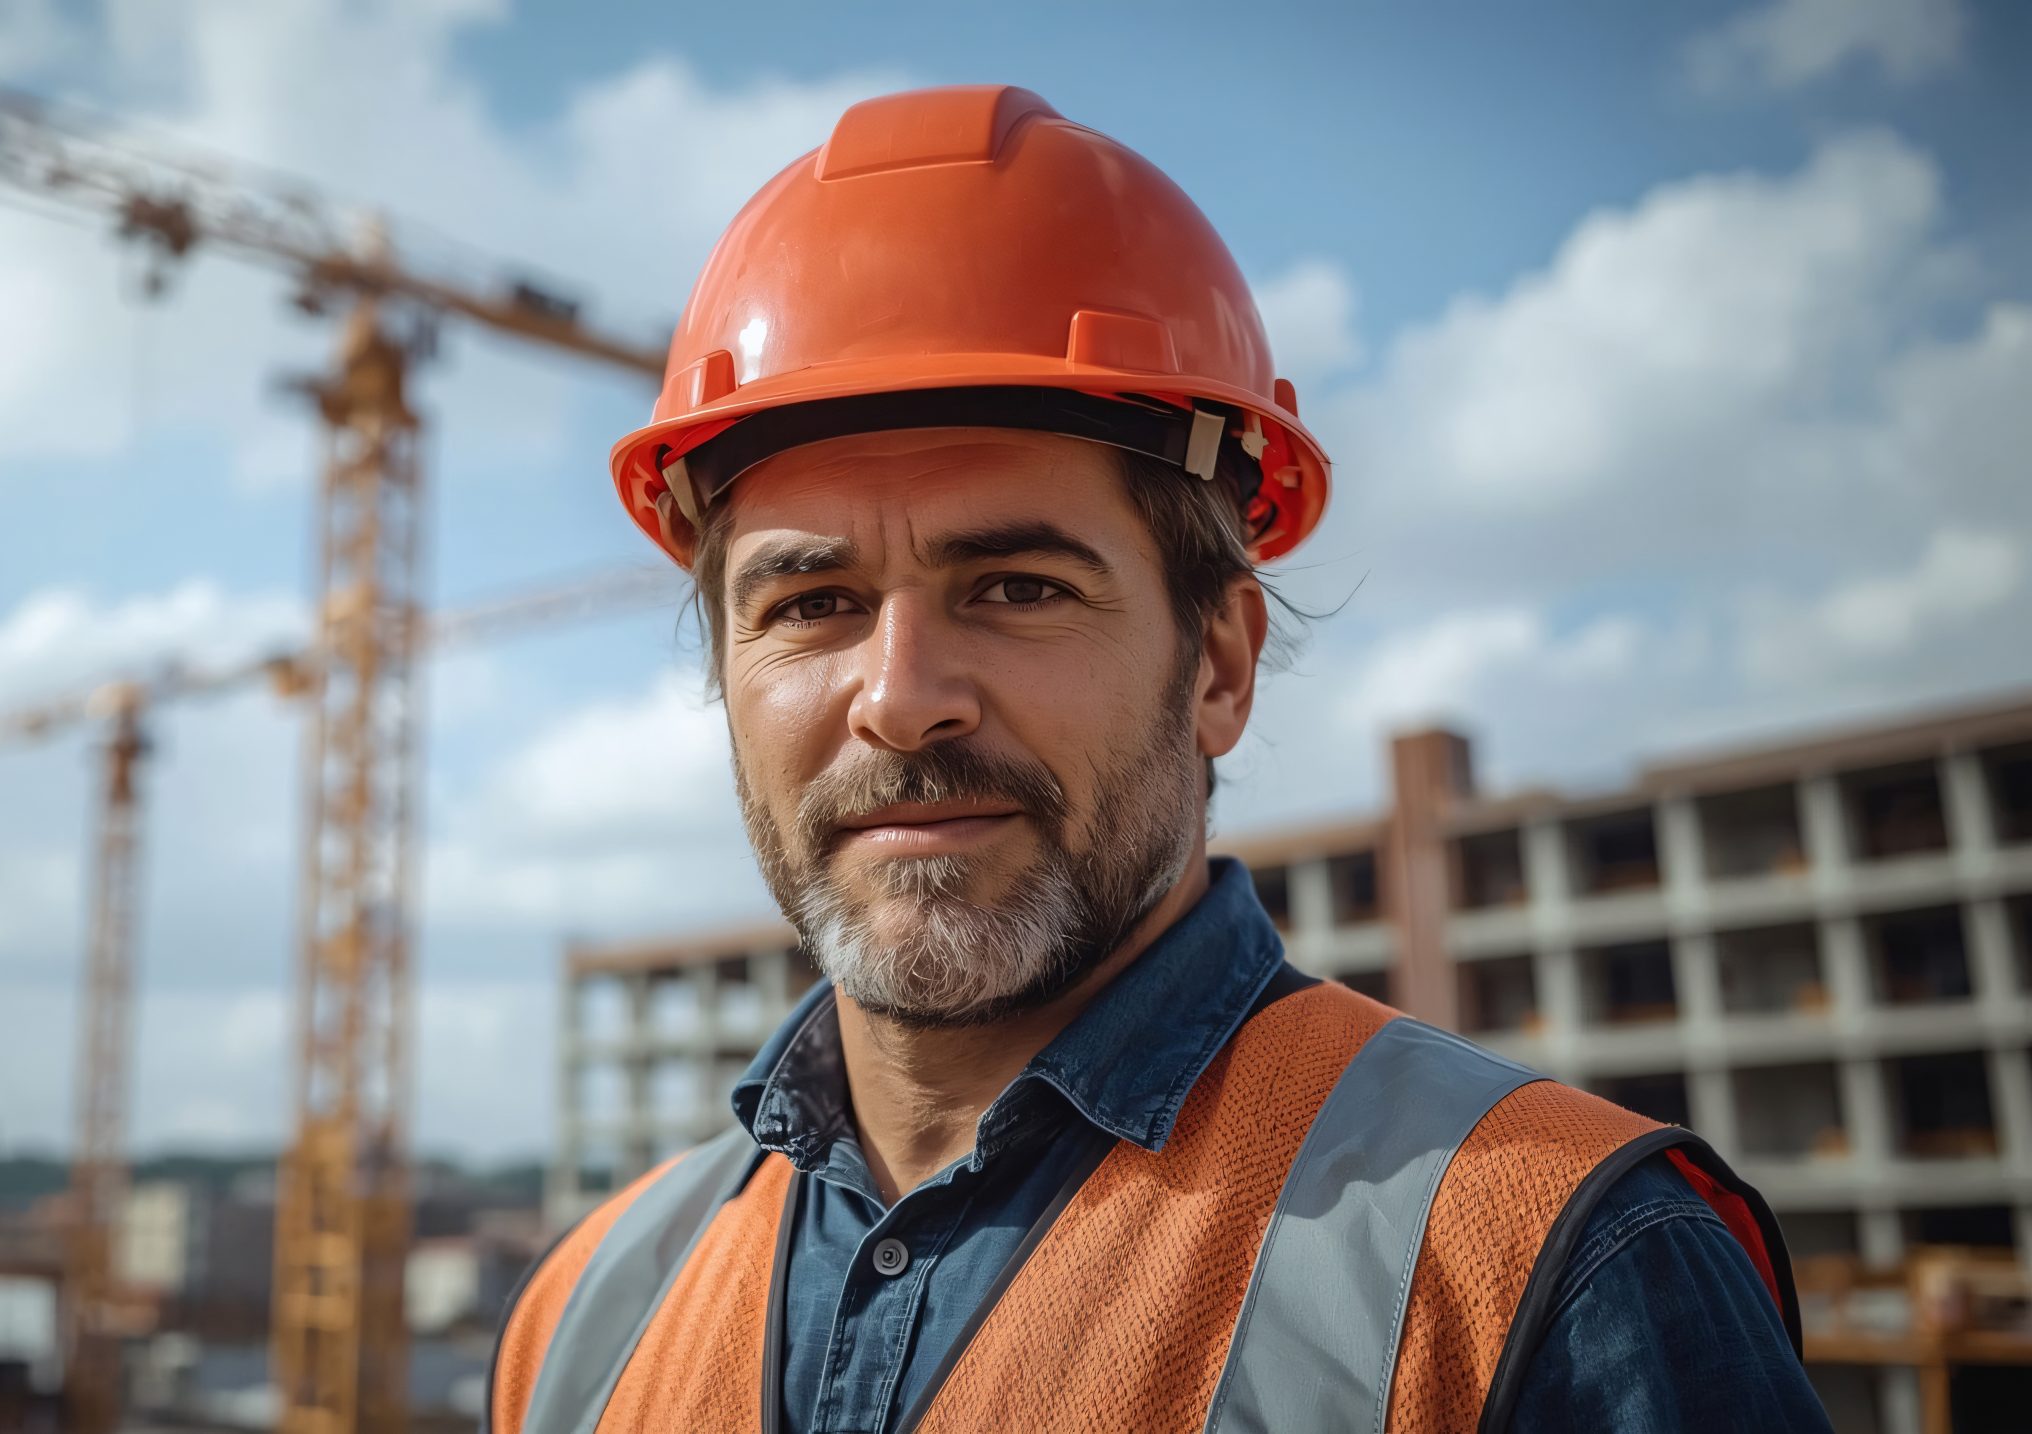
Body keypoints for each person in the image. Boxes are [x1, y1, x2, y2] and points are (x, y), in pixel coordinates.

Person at [491, 85, 1827, 1433]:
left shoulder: (1556, 1270)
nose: (900, 700)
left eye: (1017, 588)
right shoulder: (577, 1322)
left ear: (1220, 666)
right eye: (810, 603)